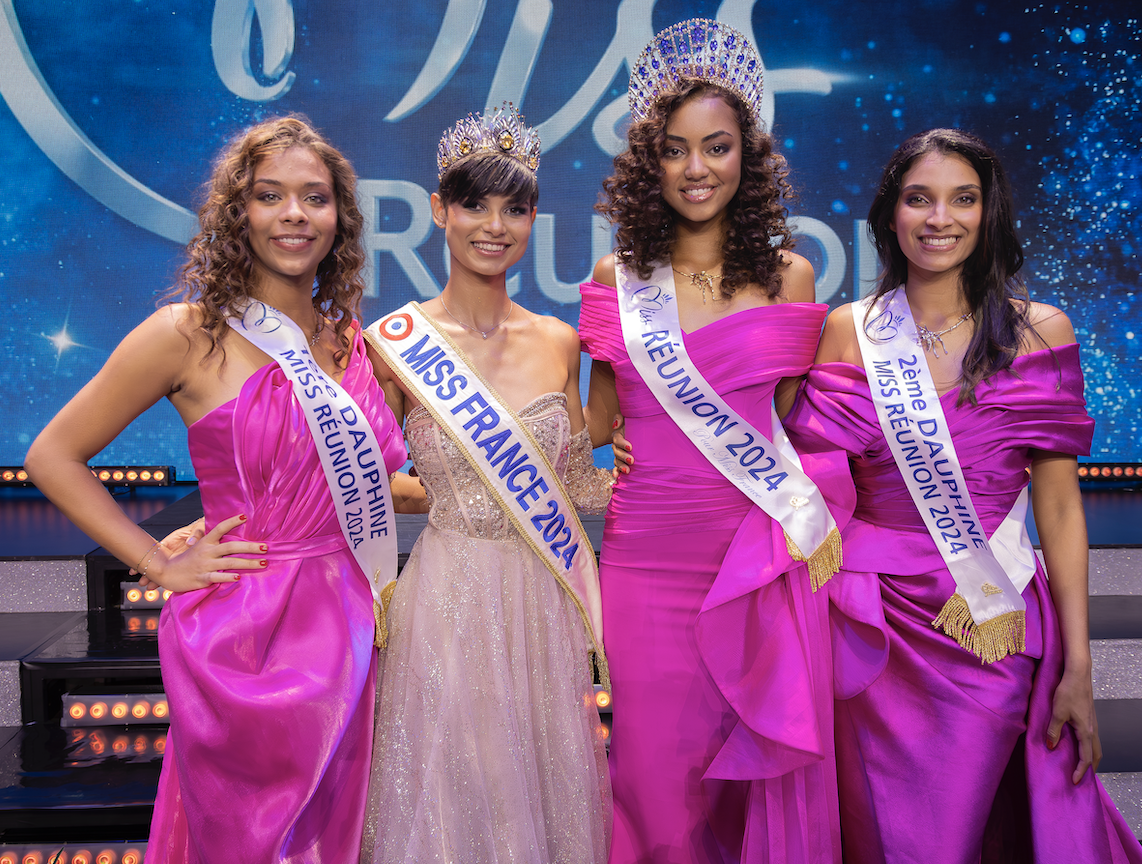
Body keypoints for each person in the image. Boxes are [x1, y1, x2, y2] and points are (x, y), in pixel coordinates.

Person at [25, 115, 410, 862]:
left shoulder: (353, 343)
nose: (295, 214)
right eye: (271, 196)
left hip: (363, 616)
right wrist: (158, 562)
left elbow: (369, 484)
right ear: (239, 214)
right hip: (251, 634)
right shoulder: (187, 333)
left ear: (341, 218)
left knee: (350, 835)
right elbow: (53, 457)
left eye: (315, 197)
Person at [783, 128, 1142, 862]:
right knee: (880, 837)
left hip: (988, 620)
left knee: (958, 832)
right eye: (919, 198)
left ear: (988, 214)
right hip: (868, 627)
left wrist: (1079, 665)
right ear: (890, 215)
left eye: (963, 199)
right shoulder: (850, 331)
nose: (939, 218)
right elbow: (809, 476)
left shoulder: (1040, 332)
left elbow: (1061, 508)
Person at [580, 19, 852, 863]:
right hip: (645, 559)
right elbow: (589, 424)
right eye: (675, 149)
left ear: (749, 153)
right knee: (653, 776)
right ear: (647, 162)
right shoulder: (613, 279)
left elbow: (803, 427)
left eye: (717, 146)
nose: (696, 169)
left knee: (752, 777)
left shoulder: (791, 274)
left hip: (757, 556)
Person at [359, 104, 613, 864]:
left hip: (541, 598)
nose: (493, 224)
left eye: (516, 207)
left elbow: (575, 486)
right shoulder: (390, 345)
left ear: (535, 218)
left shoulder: (560, 341)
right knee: (455, 790)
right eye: (473, 203)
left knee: (539, 792)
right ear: (439, 210)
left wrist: (665, 481)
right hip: (447, 595)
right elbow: (362, 482)